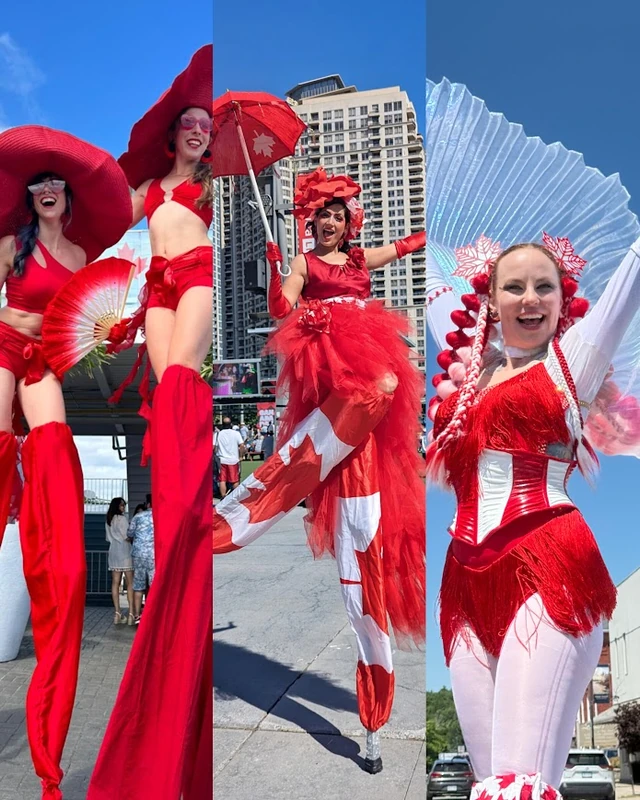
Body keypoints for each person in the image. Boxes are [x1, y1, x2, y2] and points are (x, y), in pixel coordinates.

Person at [214, 166, 426, 772]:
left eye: (338, 213)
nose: (330, 221)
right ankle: (267, 492)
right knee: (376, 386)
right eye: (321, 215)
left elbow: (398, 248)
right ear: (311, 222)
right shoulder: (306, 262)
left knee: (369, 560)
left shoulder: (359, 257)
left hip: (372, 427)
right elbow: (283, 304)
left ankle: (375, 719)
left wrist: (424, 241)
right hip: (336, 378)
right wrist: (283, 270)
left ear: (348, 219)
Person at [426, 231, 640, 799]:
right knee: (489, 777)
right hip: (463, 582)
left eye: (544, 287)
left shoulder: (574, 364)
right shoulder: (470, 381)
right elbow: (430, 286)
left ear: (563, 300)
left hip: (546, 564)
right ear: (489, 300)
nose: (530, 298)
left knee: (519, 782)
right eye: (514, 286)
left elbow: (629, 282)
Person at [88, 45, 212, 800]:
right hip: (157, 286)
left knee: (181, 389)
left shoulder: (212, 189)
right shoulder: (150, 189)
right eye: (189, 125)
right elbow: (102, 219)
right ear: (174, 134)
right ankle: (176, 519)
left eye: (206, 125)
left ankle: (191, 518)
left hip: (194, 276)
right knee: (164, 395)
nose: (198, 133)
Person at [0, 125, 130, 800]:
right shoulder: (9, 246)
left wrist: (114, 331)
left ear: (69, 194)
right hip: (1, 350)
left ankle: (49, 755)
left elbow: (81, 329)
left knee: (52, 456)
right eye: (38, 184)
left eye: (56, 184)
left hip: (45, 367)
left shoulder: (80, 253)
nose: (48, 190)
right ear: (29, 196)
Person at [105, 497, 134, 625]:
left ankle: (117, 613)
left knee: (115, 583)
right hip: (125, 551)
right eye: (122, 505)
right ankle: (131, 613)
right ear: (118, 506)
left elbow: (108, 538)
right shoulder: (122, 519)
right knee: (130, 583)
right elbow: (127, 536)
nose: (124, 507)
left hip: (113, 551)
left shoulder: (108, 520)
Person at [127, 495, 155, 625]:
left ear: (148, 504)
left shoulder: (138, 516)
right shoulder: (161, 516)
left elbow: (130, 533)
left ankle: (137, 615)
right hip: (154, 555)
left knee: (138, 586)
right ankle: (153, 615)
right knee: (153, 585)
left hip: (138, 554)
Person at [216, 418, 245, 496]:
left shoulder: (219, 434)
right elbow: (242, 445)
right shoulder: (236, 433)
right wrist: (241, 456)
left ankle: (223, 496)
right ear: (231, 425)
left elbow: (215, 446)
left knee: (222, 479)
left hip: (222, 460)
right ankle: (237, 497)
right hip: (233, 460)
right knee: (235, 480)